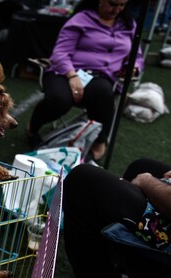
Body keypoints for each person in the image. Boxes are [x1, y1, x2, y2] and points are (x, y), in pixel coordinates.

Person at [26, 0, 144, 161]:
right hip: (64, 72)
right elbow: (60, 53)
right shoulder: (81, 19)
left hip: (102, 77)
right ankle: (32, 128)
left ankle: (99, 143)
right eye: (113, 4)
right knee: (59, 100)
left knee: (103, 92)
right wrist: (72, 76)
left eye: (122, 5)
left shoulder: (129, 24)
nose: (117, 9)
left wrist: (134, 67)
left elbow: (137, 56)